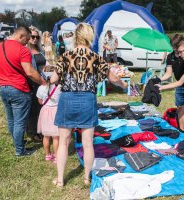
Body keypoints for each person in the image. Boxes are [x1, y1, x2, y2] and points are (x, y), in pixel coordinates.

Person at [50, 23, 128, 187]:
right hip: (87, 99)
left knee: (63, 141)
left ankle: (60, 180)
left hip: (67, 99)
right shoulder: (96, 58)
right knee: (87, 143)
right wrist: (124, 85)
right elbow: (113, 78)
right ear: (89, 36)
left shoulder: (65, 56)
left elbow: (53, 80)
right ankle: (87, 178)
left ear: (76, 36)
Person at [0, 26, 46, 156]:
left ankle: (18, 142)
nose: (27, 42)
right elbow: (29, 72)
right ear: (21, 36)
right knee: (20, 121)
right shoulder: (22, 50)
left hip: (3, 88)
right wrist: (43, 83)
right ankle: (20, 150)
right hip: (19, 89)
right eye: (27, 39)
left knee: (11, 119)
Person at [26, 26, 46, 142]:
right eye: (32, 36)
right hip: (32, 82)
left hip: (43, 82)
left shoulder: (40, 50)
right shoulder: (26, 51)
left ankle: (41, 130)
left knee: (41, 107)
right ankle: (33, 132)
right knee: (33, 108)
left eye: (36, 37)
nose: (34, 39)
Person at [37, 77, 61, 163]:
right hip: (56, 111)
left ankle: (47, 155)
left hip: (45, 111)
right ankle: (57, 156)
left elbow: (40, 101)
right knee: (56, 137)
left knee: (46, 136)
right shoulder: (59, 87)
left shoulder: (41, 87)